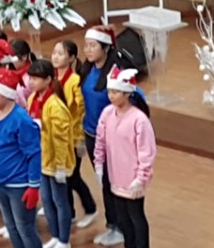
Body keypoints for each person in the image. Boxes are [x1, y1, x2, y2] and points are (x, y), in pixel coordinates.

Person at [95, 68, 156, 248]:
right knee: (123, 219)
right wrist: (99, 164)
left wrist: (141, 178)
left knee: (136, 217)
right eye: (109, 92)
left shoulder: (139, 119)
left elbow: (146, 152)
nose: (111, 96)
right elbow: (100, 140)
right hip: (116, 177)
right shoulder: (107, 113)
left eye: (115, 92)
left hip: (133, 179)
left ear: (127, 93)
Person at [0, 68, 43, 248]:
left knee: (24, 228)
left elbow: (34, 154)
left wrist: (33, 186)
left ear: (6, 93)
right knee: (11, 227)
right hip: (2, 183)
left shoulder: (21, 120)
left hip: (19, 185)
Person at [79, 26, 124, 247]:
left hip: (110, 138)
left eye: (93, 45)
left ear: (105, 48)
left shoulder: (115, 74)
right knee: (104, 182)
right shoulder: (86, 70)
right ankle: (112, 224)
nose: (88, 50)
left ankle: (120, 227)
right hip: (90, 134)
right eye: (86, 45)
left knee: (114, 183)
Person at [26, 60, 74, 248]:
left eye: (35, 78)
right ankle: (54, 235)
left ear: (47, 80)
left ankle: (64, 240)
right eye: (30, 78)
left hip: (55, 161)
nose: (31, 82)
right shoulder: (32, 99)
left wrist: (60, 165)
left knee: (60, 201)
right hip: (41, 159)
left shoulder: (55, 105)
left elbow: (60, 139)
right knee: (46, 200)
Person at [51, 40, 97, 229]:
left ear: (71, 58)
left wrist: (79, 139)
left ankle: (90, 208)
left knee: (72, 176)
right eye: (54, 52)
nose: (55, 57)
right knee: (60, 177)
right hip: (56, 136)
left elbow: (80, 111)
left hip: (72, 136)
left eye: (60, 53)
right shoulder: (52, 77)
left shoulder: (75, 81)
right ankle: (68, 213)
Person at [11, 38, 37, 109]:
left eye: (13, 57)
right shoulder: (13, 73)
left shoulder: (31, 76)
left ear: (24, 56)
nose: (11, 61)